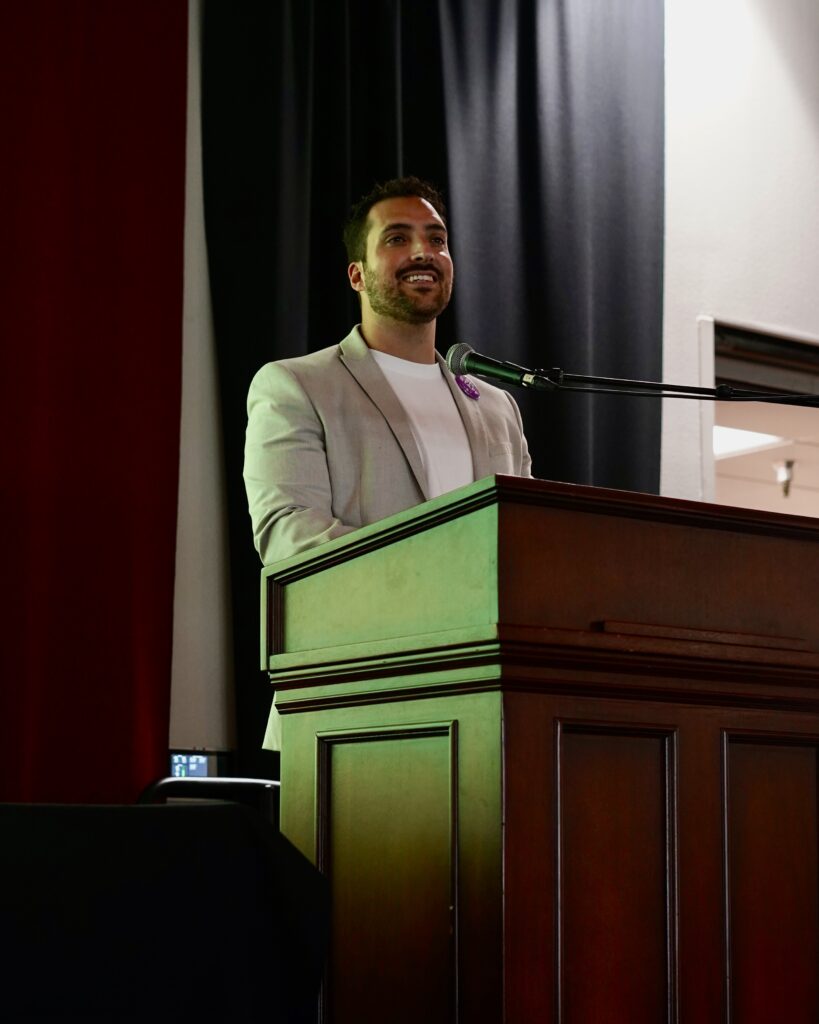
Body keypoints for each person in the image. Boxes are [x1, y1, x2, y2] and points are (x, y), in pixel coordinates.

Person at [244, 176, 532, 566]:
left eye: (437, 239)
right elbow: (290, 535)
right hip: (376, 607)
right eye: (397, 239)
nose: (424, 252)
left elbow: (527, 534)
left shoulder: (498, 407)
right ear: (357, 275)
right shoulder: (297, 387)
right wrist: (434, 571)